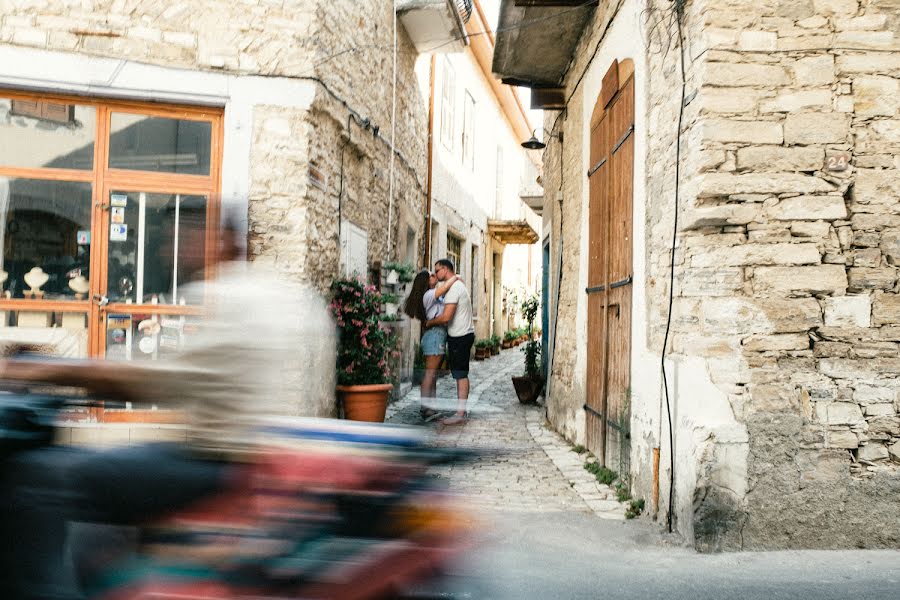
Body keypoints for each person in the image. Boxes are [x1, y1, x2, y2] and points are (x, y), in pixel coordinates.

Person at [0, 200, 336, 598]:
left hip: (213, 463)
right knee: (106, 471)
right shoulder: (282, 295)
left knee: (41, 476)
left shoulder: (232, 297)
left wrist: (43, 370)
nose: (171, 250)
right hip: (235, 454)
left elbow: (155, 381)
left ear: (222, 240)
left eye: (186, 238)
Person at [403, 268, 460, 418]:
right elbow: (445, 287)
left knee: (432, 374)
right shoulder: (428, 295)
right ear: (426, 282)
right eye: (431, 275)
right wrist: (455, 277)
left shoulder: (431, 296)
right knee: (430, 374)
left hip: (435, 335)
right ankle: (425, 408)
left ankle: (431, 407)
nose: (435, 276)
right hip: (435, 336)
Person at [424, 258, 474, 426]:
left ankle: (460, 413)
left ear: (445, 269)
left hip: (460, 336)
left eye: (437, 271)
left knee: (460, 375)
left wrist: (430, 322)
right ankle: (461, 410)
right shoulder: (456, 286)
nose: (436, 274)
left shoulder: (454, 289)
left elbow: (446, 317)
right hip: (462, 334)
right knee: (461, 374)